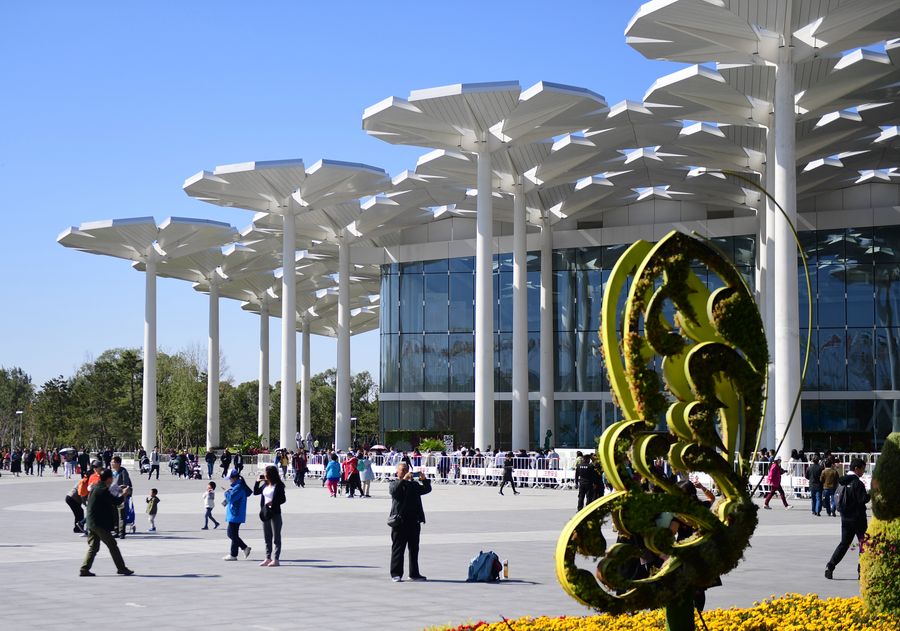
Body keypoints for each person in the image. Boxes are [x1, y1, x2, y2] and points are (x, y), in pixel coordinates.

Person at [80, 469, 134, 577]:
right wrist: (124, 494)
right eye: (112, 478)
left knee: (93, 547)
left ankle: (84, 569)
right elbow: (116, 501)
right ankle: (121, 568)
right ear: (109, 479)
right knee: (112, 545)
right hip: (99, 523)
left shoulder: (96, 487)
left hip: (92, 522)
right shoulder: (103, 490)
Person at [825, 458, 870, 580]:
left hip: (845, 518)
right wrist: (870, 495)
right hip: (859, 518)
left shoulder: (841, 481)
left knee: (844, 544)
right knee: (864, 544)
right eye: (862, 469)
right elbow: (863, 499)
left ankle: (830, 566)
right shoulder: (857, 483)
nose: (863, 472)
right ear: (856, 469)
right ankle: (862, 570)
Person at [388, 462, 432, 582]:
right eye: (402, 470)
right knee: (398, 548)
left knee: (414, 549)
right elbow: (394, 491)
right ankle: (396, 573)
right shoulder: (394, 484)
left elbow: (427, 489)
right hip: (400, 522)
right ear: (397, 472)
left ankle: (414, 573)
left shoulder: (413, 484)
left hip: (414, 521)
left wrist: (424, 479)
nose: (405, 472)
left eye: (406, 470)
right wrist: (404, 480)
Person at [254, 465, 287, 567]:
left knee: (276, 537)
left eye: (265, 472)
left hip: (275, 513)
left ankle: (276, 559)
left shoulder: (278, 485)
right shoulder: (265, 485)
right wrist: (257, 482)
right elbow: (255, 492)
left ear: (270, 474)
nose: (264, 474)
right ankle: (268, 558)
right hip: (266, 513)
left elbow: (283, 499)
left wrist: (273, 503)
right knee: (267, 536)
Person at [223, 469, 251, 560]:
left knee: (232, 534)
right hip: (235, 513)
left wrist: (226, 492)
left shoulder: (238, 487)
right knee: (232, 534)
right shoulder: (237, 486)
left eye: (230, 478)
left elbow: (231, 498)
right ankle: (243, 548)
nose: (229, 480)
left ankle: (234, 554)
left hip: (236, 513)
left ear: (234, 478)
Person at [110, 456, 134, 537]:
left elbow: (125, 484)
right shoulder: (112, 472)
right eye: (111, 462)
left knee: (121, 514)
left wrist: (119, 489)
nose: (112, 464)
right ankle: (116, 530)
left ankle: (121, 532)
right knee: (114, 514)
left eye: (113, 462)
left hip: (121, 495)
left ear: (118, 463)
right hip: (113, 496)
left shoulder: (123, 471)